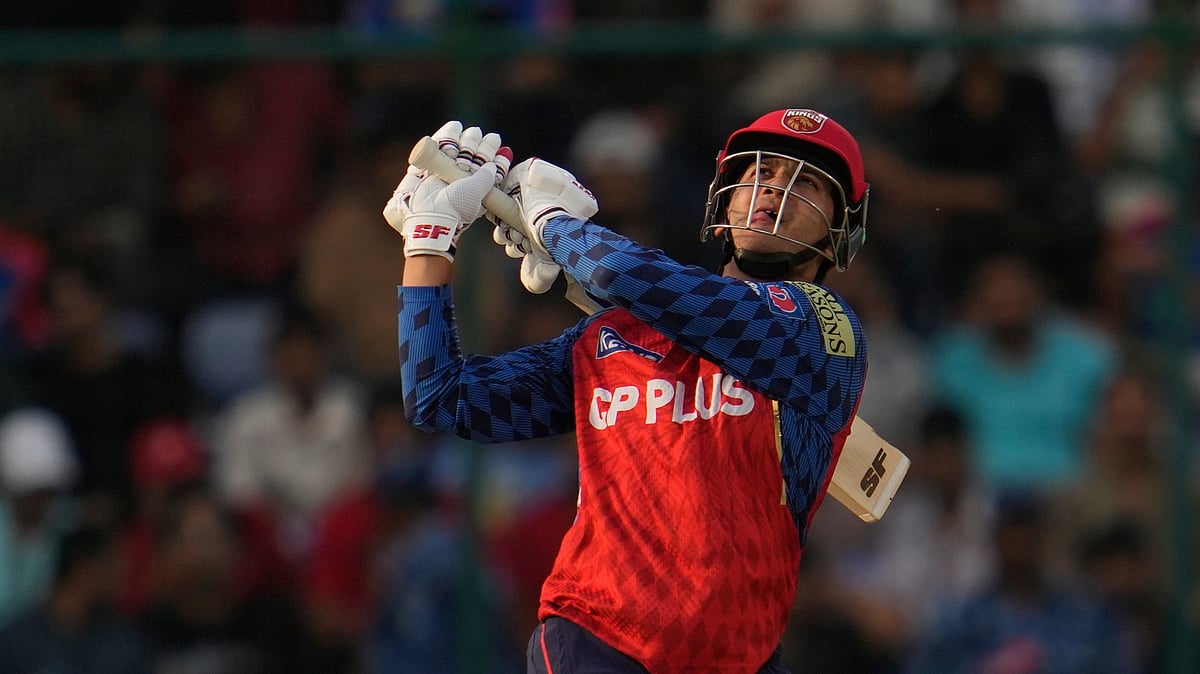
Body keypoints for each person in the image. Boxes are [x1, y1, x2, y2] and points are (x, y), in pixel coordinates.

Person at [385, 110, 870, 672]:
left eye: (806, 183)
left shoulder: (823, 331)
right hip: (595, 639)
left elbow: (632, 278)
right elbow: (442, 397)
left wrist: (556, 227)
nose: (775, 190)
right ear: (723, 202)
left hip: (739, 655)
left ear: (840, 230)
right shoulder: (610, 335)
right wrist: (428, 244)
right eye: (761, 172)